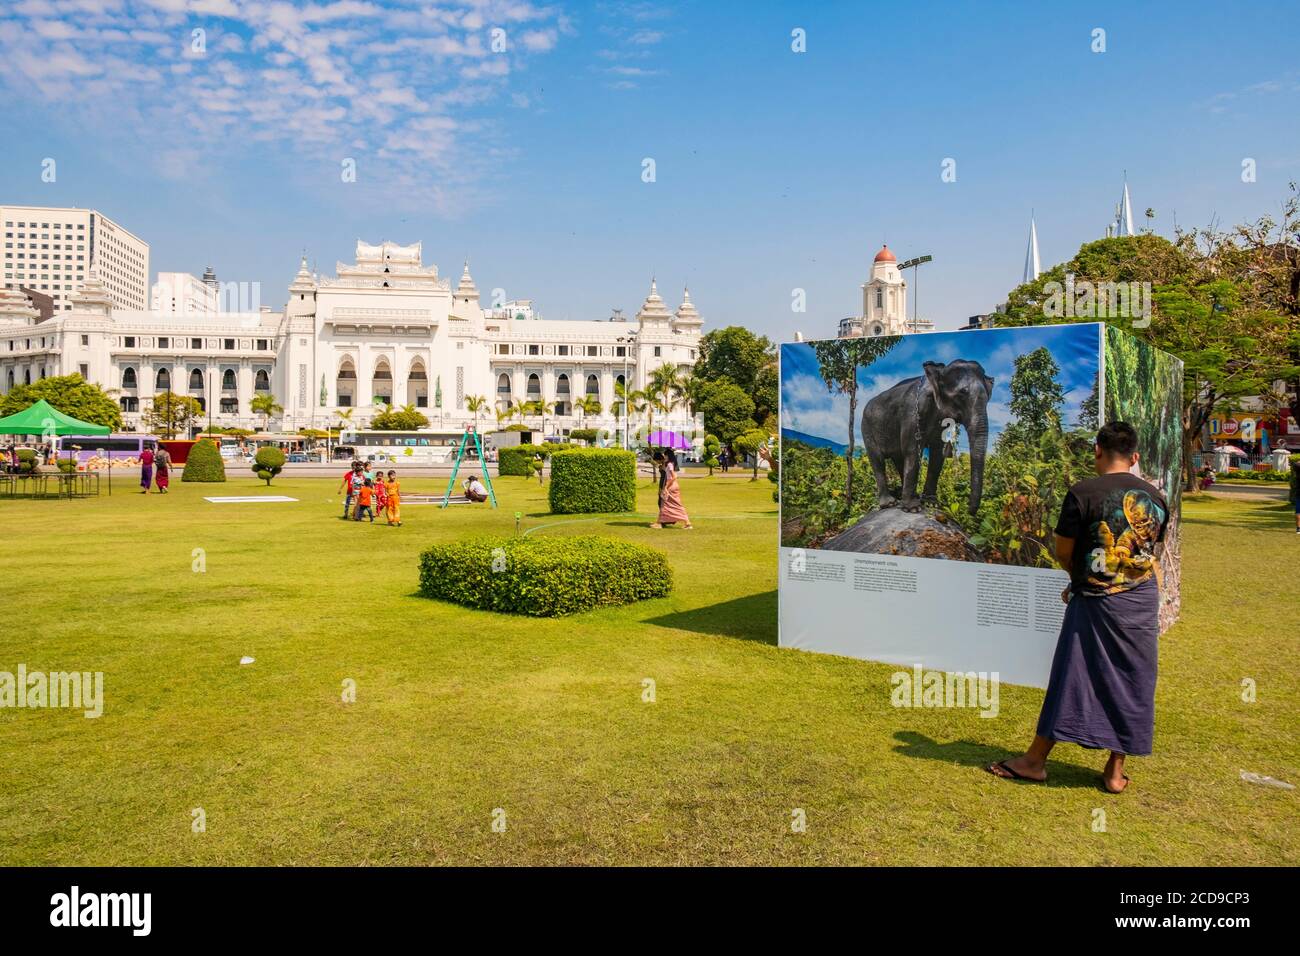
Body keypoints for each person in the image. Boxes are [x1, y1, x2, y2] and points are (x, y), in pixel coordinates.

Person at [988, 421, 1169, 795]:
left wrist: (1080, 579)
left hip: (1097, 600)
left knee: (1072, 674)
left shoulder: (1083, 493)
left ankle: (1035, 761)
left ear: (1097, 451)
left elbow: (1065, 551)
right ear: (1134, 457)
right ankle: (1115, 772)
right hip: (1140, 599)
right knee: (1134, 679)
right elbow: (1150, 551)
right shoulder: (1156, 497)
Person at [651, 449, 692, 529]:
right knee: (672, 505)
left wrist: (666, 487)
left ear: (668, 456)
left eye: (665, 455)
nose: (664, 456)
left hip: (670, 486)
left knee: (664, 504)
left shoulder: (669, 464)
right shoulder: (670, 464)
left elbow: (674, 477)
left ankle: (660, 523)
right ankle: (687, 522)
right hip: (672, 486)